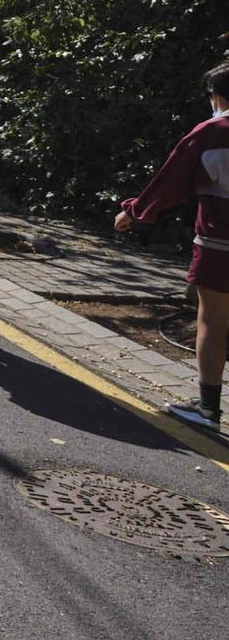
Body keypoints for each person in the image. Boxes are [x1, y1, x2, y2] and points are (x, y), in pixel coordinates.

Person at [114, 61, 229, 429]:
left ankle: (208, 408)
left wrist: (134, 212)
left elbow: (171, 181)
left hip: (220, 240)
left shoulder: (211, 132)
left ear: (215, 95)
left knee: (213, 318)